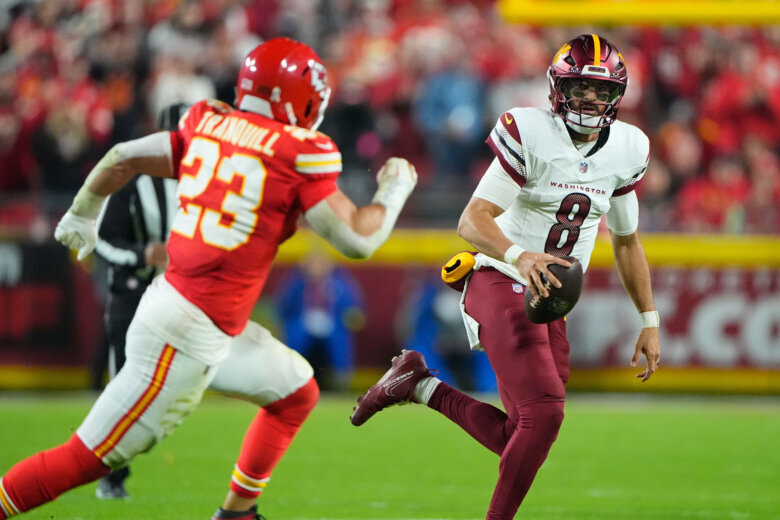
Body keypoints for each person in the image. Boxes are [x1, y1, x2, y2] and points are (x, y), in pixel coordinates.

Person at [0, 37, 417, 520]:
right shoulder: (296, 152)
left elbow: (121, 156)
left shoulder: (208, 122)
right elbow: (359, 241)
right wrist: (395, 187)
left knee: (296, 391)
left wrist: (81, 213)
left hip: (201, 319)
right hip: (182, 335)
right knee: (87, 458)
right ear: (300, 100)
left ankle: (237, 513)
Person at [350, 34, 661, 519]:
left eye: (601, 91)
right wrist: (520, 257)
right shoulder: (531, 131)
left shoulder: (627, 147)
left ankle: (418, 384)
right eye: (580, 88)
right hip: (498, 275)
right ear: (558, 89)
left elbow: (626, 241)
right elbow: (472, 220)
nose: (590, 99)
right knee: (546, 412)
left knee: (526, 432)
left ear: (617, 96)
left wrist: (649, 318)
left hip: (549, 297)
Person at [90, 103, 188, 499]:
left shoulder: (213, 179)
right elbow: (101, 239)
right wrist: (141, 255)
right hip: (134, 292)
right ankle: (110, 472)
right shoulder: (134, 177)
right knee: (125, 383)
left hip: (185, 298)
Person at [275, 252, 365, 391]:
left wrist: (353, 315)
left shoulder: (340, 283)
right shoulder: (297, 283)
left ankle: (341, 380)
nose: (317, 268)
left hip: (331, 323)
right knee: (295, 335)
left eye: (321, 264)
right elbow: (283, 307)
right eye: (313, 264)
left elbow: (353, 306)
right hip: (303, 322)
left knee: (339, 339)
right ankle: (290, 377)